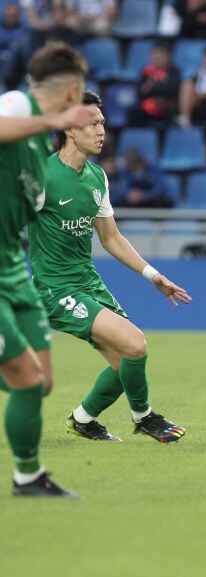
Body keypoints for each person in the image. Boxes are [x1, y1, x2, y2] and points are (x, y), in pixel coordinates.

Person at [29, 90, 189, 445]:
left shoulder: (97, 177)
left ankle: (83, 420)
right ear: (70, 129)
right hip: (55, 288)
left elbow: (111, 238)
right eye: (93, 123)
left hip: (87, 282)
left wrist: (153, 275)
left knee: (124, 364)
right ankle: (144, 417)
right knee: (135, 343)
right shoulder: (42, 176)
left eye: (103, 123)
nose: (102, 131)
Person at [0, 41, 95, 497]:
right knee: (25, 376)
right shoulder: (20, 104)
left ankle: (28, 477)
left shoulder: (41, 145)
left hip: (12, 268)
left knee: (41, 381)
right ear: (73, 91)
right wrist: (55, 121)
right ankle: (28, 479)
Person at [131, 42, 182, 126]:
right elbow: (140, 92)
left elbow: (173, 90)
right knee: (134, 112)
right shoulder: (145, 71)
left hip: (167, 105)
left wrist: (153, 88)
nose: (157, 57)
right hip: (149, 104)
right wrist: (159, 88)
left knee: (172, 114)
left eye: (161, 54)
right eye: (155, 54)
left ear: (168, 56)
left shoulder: (174, 71)